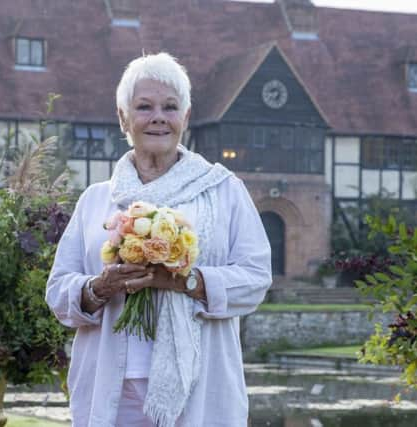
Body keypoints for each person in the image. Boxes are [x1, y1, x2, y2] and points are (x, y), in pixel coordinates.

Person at [46, 52, 272, 427]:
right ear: (123, 118)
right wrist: (99, 286)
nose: (158, 117)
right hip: (110, 384)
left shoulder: (225, 191)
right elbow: (58, 292)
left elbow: (255, 278)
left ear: (185, 117)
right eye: (144, 107)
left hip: (199, 383)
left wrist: (190, 280)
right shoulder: (96, 200)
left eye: (170, 107)